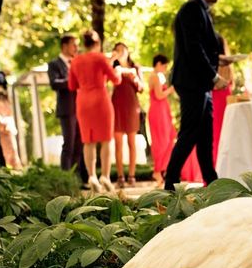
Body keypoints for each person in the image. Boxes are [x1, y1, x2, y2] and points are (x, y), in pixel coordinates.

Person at [164, 0, 228, 191]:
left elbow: (201, 47)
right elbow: (193, 48)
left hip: (199, 83)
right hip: (192, 82)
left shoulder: (200, 9)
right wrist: (214, 76)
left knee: (204, 136)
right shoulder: (191, 9)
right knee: (189, 134)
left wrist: (219, 61)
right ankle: (170, 185)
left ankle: (213, 183)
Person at [68, 30, 123, 193]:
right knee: (106, 139)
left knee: (88, 141)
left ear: (84, 44)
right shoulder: (100, 58)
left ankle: (91, 175)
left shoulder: (76, 60)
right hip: (101, 99)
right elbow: (116, 79)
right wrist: (118, 70)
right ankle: (105, 175)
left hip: (83, 101)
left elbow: (72, 86)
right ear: (97, 43)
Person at [47, 34, 87, 182]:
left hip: (81, 108)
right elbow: (54, 83)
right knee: (68, 145)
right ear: (64, 46)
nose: (76, 48)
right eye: (73, 45)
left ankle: (77, 180)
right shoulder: (54, 64)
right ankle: (66, 180)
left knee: (79, 146)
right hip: (67, 109)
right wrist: (72, 81)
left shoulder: (77, 62)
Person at [111, 42, 143, 188]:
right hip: (117, 107)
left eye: (122, 49)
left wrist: (134, 76)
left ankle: (132, 175)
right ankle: (120, 177)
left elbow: (141, 88)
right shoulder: (113, 68)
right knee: (118, 143)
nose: (120, 52)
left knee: (132, 143)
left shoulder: (136, 68)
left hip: (131, 107)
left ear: (127, 51)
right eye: (117, 50)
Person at [148, 54, 176, 185]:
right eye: (164, 65)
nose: (165, 68)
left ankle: (162, 169)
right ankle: (157, 170)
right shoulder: (154, 76)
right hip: (158, 111)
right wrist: (170, 89)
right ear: (158, 63)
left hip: (162, 111)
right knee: (161, 140)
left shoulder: (158, 76)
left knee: (168, 138)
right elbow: (159, 95)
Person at [0, 72, 23, 170]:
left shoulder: (5, 97)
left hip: (8, 127)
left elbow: (9, 111)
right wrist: (1, 121)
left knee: (12, 148)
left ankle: (14, 168)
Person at [212, 33, 234, 167]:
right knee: (224, 135)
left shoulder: (214, 63)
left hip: (215, 98)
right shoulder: (228, 63)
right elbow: (230, 82)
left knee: (214, 136)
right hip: (226, 97)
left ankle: (215, 168)